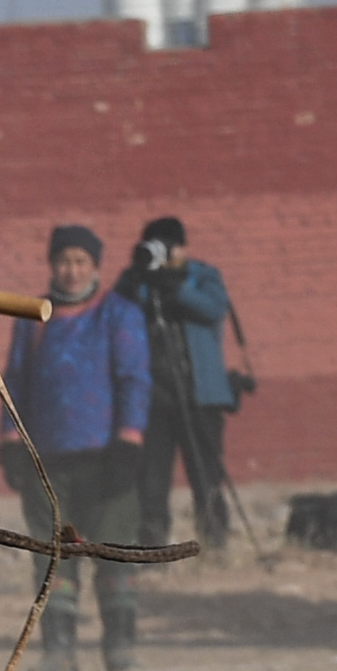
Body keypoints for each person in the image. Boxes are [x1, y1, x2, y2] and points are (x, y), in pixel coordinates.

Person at [0, 225, 151, 671]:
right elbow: (15, 381)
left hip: (108, 458)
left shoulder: (118, 314)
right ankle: (58, 648)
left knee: (113, 549)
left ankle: (119, 645)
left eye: (80, 262)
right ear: (52, 265)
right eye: (64, 261)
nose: (71, 270)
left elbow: (134, 379)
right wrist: (11, 441)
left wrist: (130, 438)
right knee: (51, 555)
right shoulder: (34, 319)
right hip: (49, 461)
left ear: (95, 267)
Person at [115, 215, 240, 553]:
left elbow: (212, 309)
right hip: (154, 400)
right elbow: (118, 312)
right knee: (151, 482)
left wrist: (173, 284)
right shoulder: (136, 280)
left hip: (201, 396)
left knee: (206, 476)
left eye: (169, 246)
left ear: (183, 247)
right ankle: (153, 547)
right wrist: (142, 276)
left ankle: (215, 545)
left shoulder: (202, 276)